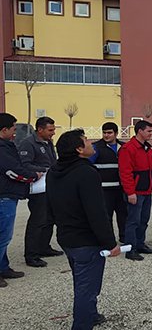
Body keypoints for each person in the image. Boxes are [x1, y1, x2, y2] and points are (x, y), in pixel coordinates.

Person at [47, 129, 121, 329]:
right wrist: (110, 242)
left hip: (67, 237)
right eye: (86, 141)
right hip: (86, 241)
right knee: (86, 288)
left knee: (82, 282)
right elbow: (97, 212)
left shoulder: (54, 171)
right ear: (79, 149)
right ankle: (82, 324)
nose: (91, 144)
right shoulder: (86, 173)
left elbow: (50, 205)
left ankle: (91, 315)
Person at [0, 113, 41, 288]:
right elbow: (13, 171)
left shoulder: (7, 146)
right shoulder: (2, 149)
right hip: (4, 196)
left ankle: (3, 267)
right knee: (4, 236)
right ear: (4, 130)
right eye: (13, 129)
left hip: (9, 194)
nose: (15, 132)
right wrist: (34, 176)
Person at [19, 116, 61, 268]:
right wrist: (44, 170)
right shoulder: (28, 144)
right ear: (40, 129)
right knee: (37, 221)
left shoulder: (48, 143)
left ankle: (44, 247)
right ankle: (31, 255)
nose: (53, 133)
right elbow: (24, 165)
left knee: (49, 219)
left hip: (50, 186)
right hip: (38, 188)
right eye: (50, 130)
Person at [118, 120, 152, 261]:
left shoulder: (147, 148)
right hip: (136, 192)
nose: (151, 134)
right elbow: (125, 172)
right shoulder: (128, 149)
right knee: (133, 221)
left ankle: (140, 244)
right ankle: (131, 249)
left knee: (143, 220)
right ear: (140, 131)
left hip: (146, 191)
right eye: (149, 131)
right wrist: (130, 192)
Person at [89, 122, 126, 243]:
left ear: (116, 133)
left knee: (124, 215)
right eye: (104, 132)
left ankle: (124, 237)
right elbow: (89, 166)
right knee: (106, 217)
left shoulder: (124, 147)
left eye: (109, 133)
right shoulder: (96, 148)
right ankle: (109, 241)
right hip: (104, 190)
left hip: (121, 189)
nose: (106, 135)